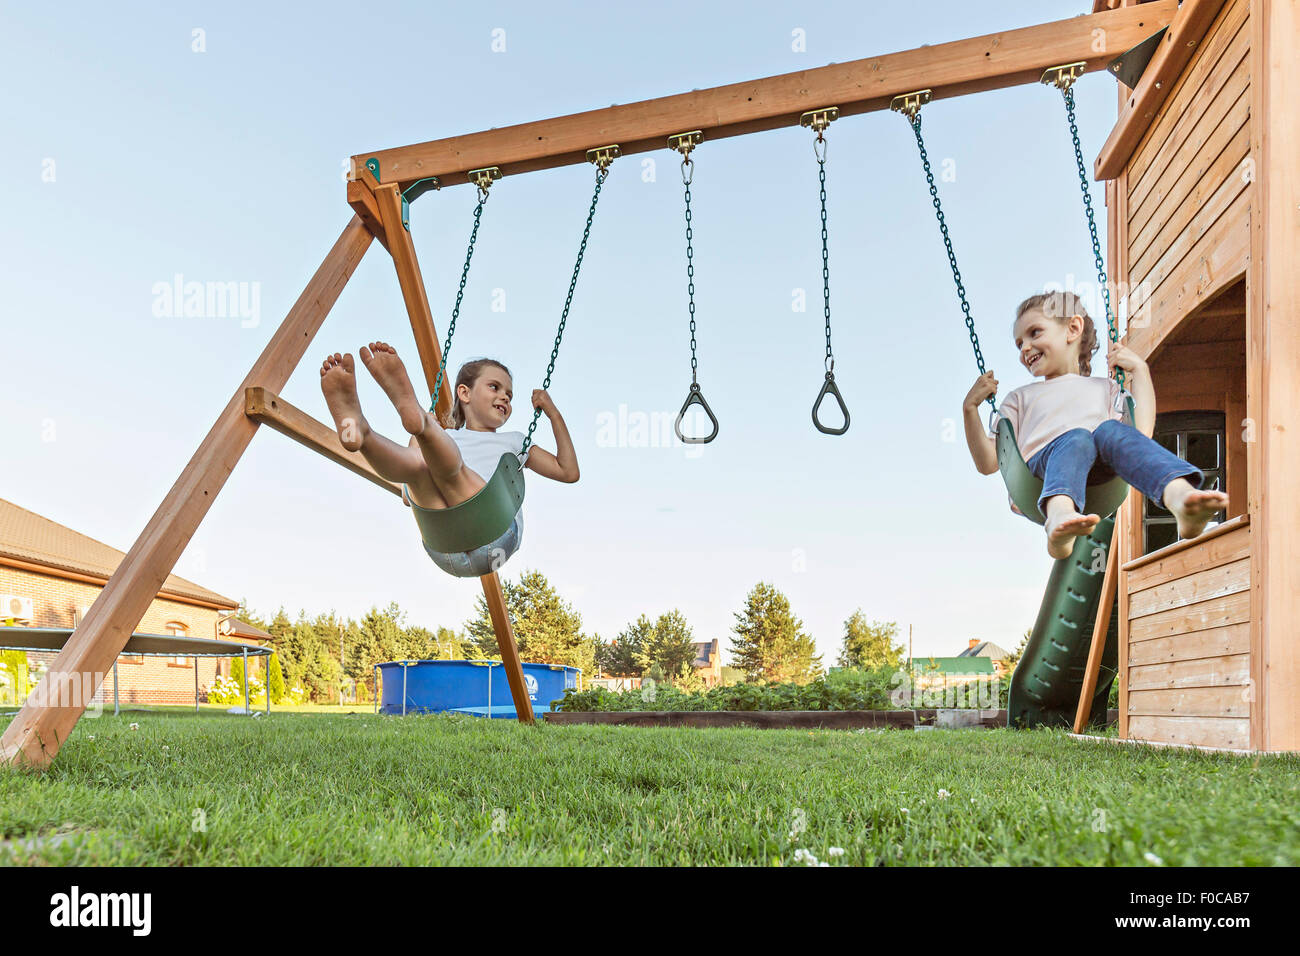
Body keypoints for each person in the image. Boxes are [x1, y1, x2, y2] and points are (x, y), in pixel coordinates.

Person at [962, 291, 1228, 560]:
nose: (1025, 349)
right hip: (1040, 478)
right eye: (1019, 343)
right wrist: (969, 409)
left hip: (1102, 477)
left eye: (1035, 333)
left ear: (1073, 329)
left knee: (1110, 432)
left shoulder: (1106, 388)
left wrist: (1140, 371)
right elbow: (988, 463)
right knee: (1077, 438)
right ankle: (1058, 516)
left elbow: (1140, 438)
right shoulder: (1020, 398)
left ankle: (1180, 497)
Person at [319, 342, 579, 576]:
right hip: (444, 543)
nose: (505, 398)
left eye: (509, 396)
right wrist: (417, 441)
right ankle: (363, 434)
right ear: (464, 393)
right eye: (495, 387)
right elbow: (408, 498)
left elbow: (568, 471)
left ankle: (413, 424)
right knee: (420, 469)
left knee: (445, 468)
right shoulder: (447, 439)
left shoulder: (514, 440)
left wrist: (552, 413)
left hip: (492, 534)